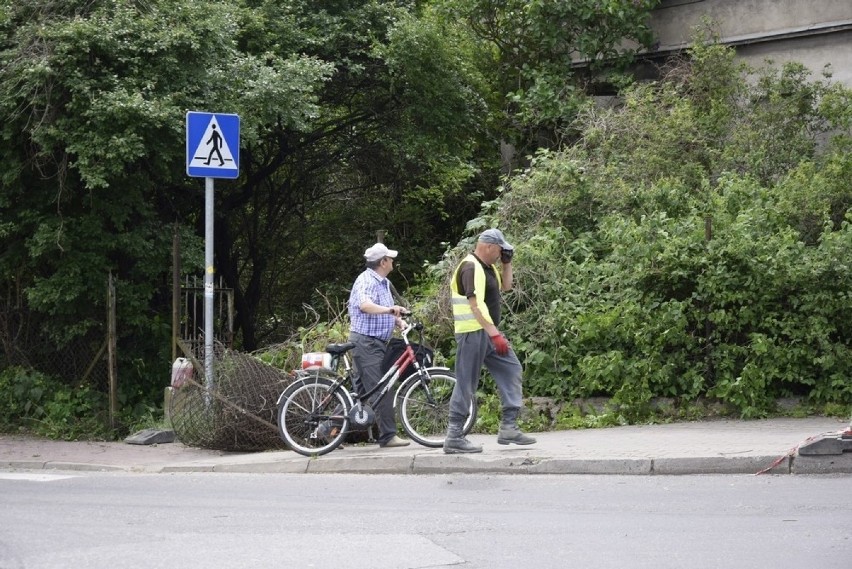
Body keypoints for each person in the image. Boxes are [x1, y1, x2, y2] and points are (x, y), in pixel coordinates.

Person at [444, 228, 537, 453]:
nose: (500, 253)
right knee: (466, 382)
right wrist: (494, 333)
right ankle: (454, 436)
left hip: (487, 332)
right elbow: (475, 305)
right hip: (473, 333)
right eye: (499, 250)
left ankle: (509, 427)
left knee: (512, 368)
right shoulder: (469, 266)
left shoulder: (488, 268)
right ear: (487, 246)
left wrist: (507, 264)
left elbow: (506, 287)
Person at [347, 242, 411, 448]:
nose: (393, 261)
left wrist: (398, 321)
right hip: (366, 343)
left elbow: (385, 310)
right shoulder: (366, 280)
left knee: (361, 392)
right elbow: (365, 305)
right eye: (390, 258)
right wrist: (389, 310)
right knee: (382, 388)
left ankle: (325, 432)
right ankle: (388, 436)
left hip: (376, 342)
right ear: (383, 262)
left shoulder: (383, 282)